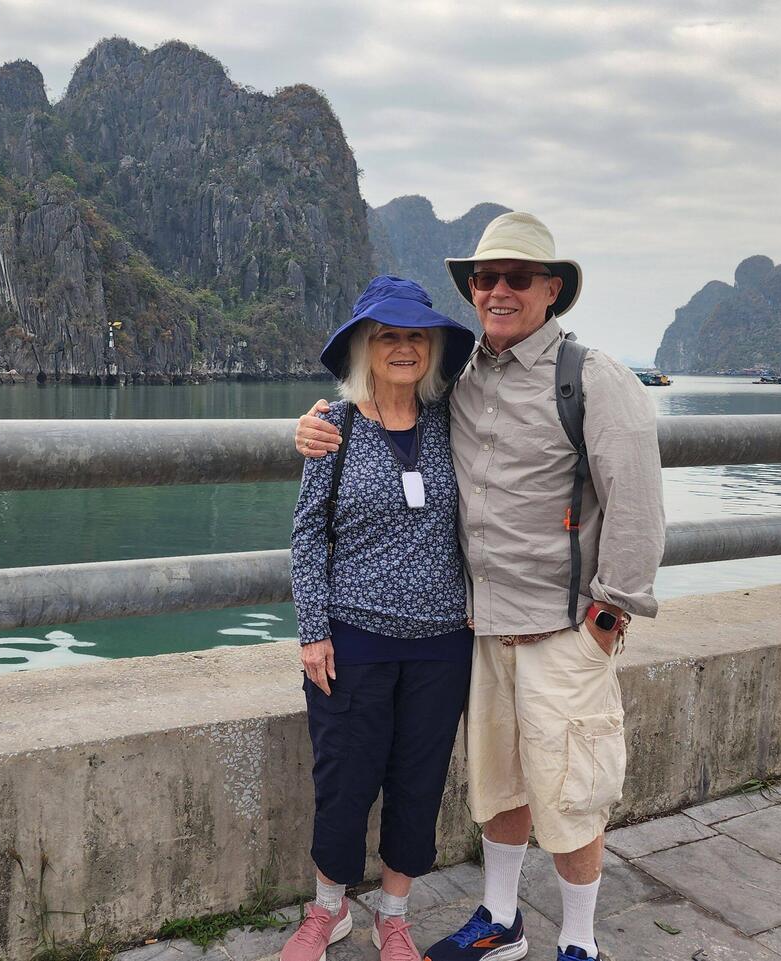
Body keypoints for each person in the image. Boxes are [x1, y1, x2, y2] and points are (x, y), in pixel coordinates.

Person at [296, 213, 665, 961]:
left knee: (570, 792)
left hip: (552, 629)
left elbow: (639, 506)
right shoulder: (455, 390)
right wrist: (304, 428)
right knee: (499, 786)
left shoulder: (592, 377)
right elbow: (328, 494)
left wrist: (609, 613)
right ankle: (500, 917)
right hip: (479, 631)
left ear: (550, 289)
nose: (497, 290)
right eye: (484, 278)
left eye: (516, 277)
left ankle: (582, 943)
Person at [284, 275, 479, 961]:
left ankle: (392, 916)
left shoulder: (450, 421)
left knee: (418, 782)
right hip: (354, 640)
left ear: (430, 348)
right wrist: (312, 632)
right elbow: (307, 536)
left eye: (415, 336)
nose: (403, 347)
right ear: (366, 348)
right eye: (388, 336)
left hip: (441, 643)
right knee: (344, 779)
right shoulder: (332, 427)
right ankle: (327, 910)